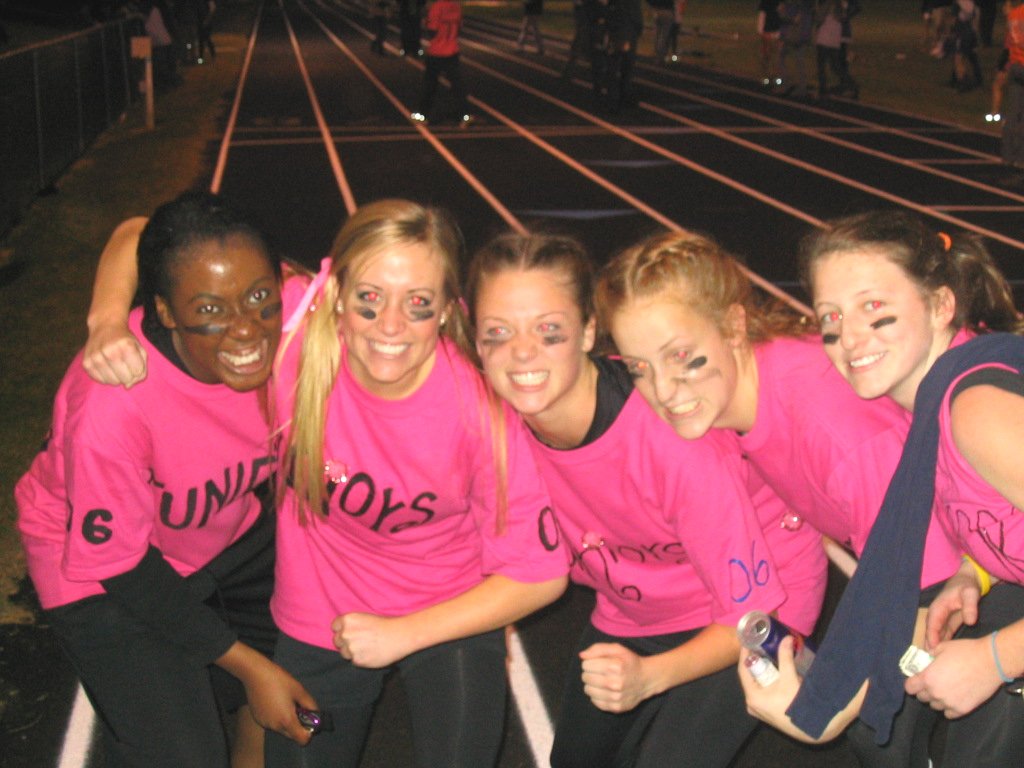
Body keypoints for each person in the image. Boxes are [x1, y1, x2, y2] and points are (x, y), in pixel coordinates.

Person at [594, 228, 964, 766]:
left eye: (682, 356)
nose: (664, 390)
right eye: (638, 368)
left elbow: (927, 586)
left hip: (985, 568)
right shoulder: (734, 395)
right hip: (926, 563)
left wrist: (829, 708)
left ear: (733, 326)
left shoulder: (834, 431)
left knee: (888, 731)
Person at [466, 232, 822, 768]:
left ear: (589, 330)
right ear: (474, 342)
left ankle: (816, 669)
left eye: (549, 330)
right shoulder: (496, 430)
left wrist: (650, 678)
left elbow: (753, 614)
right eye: (497, 333)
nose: (521, 352)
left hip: (763, 609)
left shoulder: (672, 446)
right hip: (640, 607)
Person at [263, 200, 569, 768]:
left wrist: (402, 634)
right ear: (335, 292)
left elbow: (541, 574)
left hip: (448, 609)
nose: (391, 326)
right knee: (301, 751)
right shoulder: (292, 341)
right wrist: (109, 320)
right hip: (319, 613)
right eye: (370, 297)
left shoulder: (479, 411)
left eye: (418, 304)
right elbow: (149, 239)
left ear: (448, 310)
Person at [18, 192, 317, 768]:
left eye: (260, 297)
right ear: (165, 310)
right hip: (104, 573)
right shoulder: (113, 405)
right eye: (209, 309)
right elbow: (122, 568)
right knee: (186, 754)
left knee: (310, 649)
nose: (246, 329)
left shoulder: (294, 310)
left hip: (221, 535)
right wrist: (251, 667)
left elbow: (138, 228)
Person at [741, 210, 1024, 768]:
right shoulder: (935, 409)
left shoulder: (976, 412)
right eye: (831, 316)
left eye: (873, 307)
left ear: (940, 306)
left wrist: (996, 658)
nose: (849, 338)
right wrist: (976, 570)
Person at [410, 0, 473, 125]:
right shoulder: (456, 7)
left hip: (436, 51)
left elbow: (432, 31)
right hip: (452, 50)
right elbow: (459, 29)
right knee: (457, 85)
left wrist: (426, 23)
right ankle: (465, 115)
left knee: (430, 84)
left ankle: (423, 114)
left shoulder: (437, 7)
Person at [1002, 0, 1024, 171]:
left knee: (1013, 113)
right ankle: (1021, 156)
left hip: (1015, 64)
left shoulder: (1013, 14)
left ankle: (1008, 155)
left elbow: (1009, 42)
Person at [778, 0, 814, 98]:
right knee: (798, 62)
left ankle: (788, 85)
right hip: (800, 36)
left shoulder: (795, 6)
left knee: (784, 59)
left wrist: (782, 37)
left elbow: (789, 21)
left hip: (793, 37)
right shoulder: (806, 6)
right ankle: (799, 87)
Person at [757, 0, 783, 87]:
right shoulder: (766, 3)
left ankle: (774, 77)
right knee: (767, 56)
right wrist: (761, 32)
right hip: (769, 32)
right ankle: (767, 77)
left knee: (775, 57)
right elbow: (762, 16)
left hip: (775, 32)